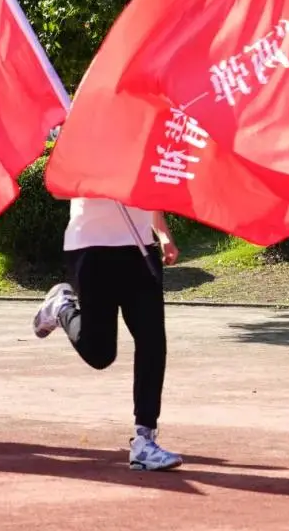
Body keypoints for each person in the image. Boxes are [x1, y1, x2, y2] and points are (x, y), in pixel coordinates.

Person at [32, 198, 183, 471]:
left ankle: (145, 440)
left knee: (152, 340)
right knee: (100, 354)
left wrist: (161, 234)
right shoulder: (81, 153)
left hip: (139, 247)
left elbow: (151, 191)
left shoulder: (144, 153)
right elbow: (59, 186)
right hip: (91, 247)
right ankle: (62, 307)